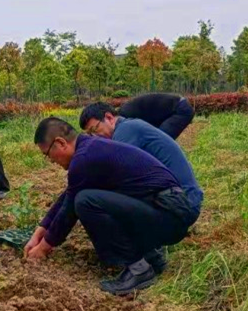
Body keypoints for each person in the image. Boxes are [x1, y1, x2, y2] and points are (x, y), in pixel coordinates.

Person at [26, 118, 197, 295]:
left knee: (86, 201)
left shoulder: (84, 158)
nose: (51, 161)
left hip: (170, 213)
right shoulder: (90, 149)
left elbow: (69, 210)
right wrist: (40, 231)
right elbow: (69, 194)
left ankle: (138, 269)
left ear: (60, 143)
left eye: (47, 154)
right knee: (86, 197)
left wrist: (43, 248)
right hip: (168, 210)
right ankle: (150, 256)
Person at [80, 102, 204, 273]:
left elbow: (114, 176)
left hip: (181, 204)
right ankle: (149, 249)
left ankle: (142, 260)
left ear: (109, 118)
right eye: (89, 134)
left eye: (95, 130)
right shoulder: (130, 128)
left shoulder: (126, 131)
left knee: (102, 198)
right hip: (180, 201)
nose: (95, 137)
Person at [118, 93, 194, 140]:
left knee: (159, 141)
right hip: (171, 110)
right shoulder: (125, 112)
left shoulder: (125, 116)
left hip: (179, 109)